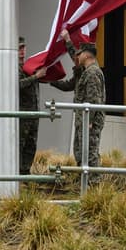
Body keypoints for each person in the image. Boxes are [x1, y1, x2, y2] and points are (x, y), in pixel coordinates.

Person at [34, 29, 105, 172]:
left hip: (88, 122)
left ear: (86, 55)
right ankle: (85, 184)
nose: (77, 56)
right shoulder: (84, 71)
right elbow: (69, 85)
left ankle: (92, 185)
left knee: (89, 155)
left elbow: (93, 100)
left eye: (80, 54)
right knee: (80, 153)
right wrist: (50, 80)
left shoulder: (92, 73)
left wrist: (89, 121)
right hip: (82, 120)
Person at [17, 36, 41, 176]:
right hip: (22, 113)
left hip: (34, 113)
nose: (22, 51)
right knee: (20, 144)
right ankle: (18, 174)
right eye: (19, 48)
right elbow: (17, 85)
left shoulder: (29, 66)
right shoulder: (13, 67)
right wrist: (36, 77)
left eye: (23, 48)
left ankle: (25, 172)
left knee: (31, 144)